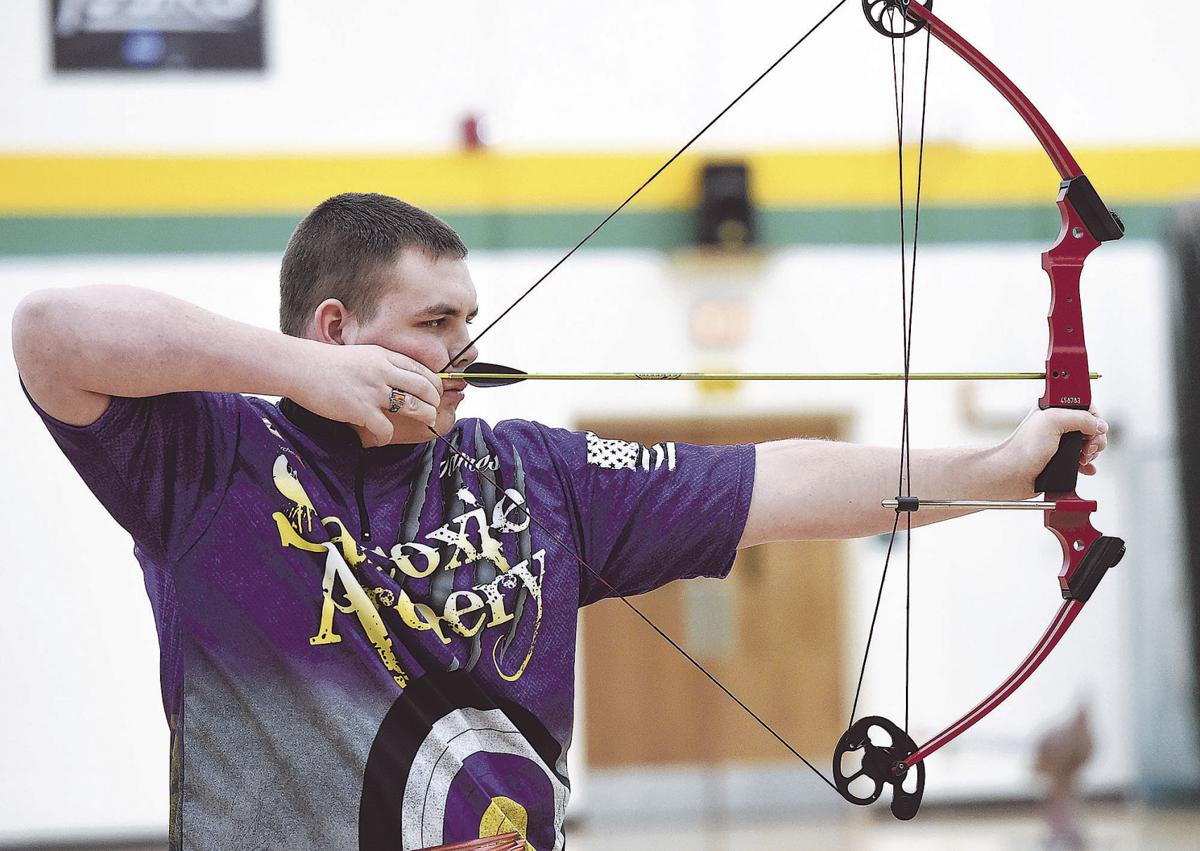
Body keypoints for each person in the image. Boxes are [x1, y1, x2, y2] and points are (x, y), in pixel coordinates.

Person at [11, 192, 1108, 850]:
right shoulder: (212, 464)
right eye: (435, 323)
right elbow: (53, 331)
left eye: (470, 320)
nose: (466, 350)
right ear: (339, 326)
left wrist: (997, 471)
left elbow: (775, 478)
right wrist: (297, 369)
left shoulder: (537, 473)